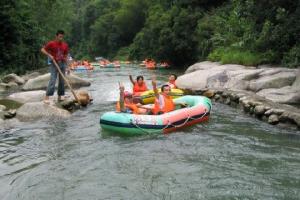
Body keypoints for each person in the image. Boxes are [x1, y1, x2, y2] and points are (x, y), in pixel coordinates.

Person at [41, 30, 70, 104]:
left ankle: (60, 96)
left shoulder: (65, 45)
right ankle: (47, 97)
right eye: (60, 36)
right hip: (54, 64)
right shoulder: (51, 43)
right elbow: (43, 50)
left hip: (62, 64)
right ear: (56, 36)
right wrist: (49, 55)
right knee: (53, 80)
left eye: (62, 37)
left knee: (62, 81)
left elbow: (66, 56)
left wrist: (68, 66)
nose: (61, 38)